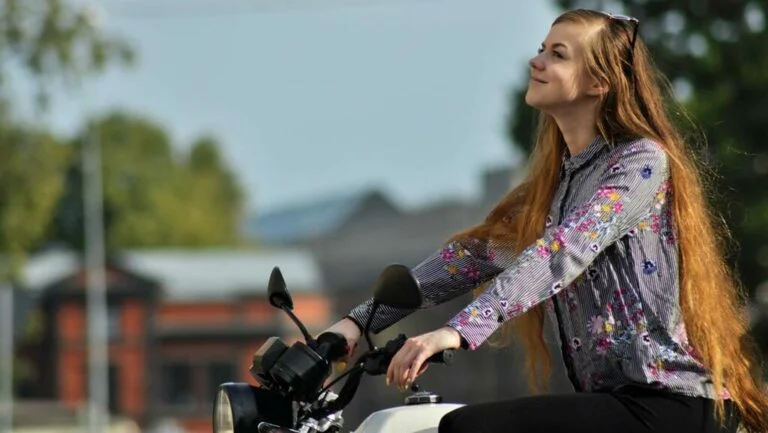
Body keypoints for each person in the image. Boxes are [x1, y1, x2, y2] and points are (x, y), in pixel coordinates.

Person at [322, 8, 768, 433]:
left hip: (670, 403)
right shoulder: (553, 187)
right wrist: (359, 323)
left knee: (467, 427)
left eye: (558, 54)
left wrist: (457, 332)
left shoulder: (640, 162)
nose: (536, 61)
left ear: (600, 82)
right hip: (615, 404)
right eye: (542, 48)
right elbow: (469, 259)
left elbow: (565, 250)